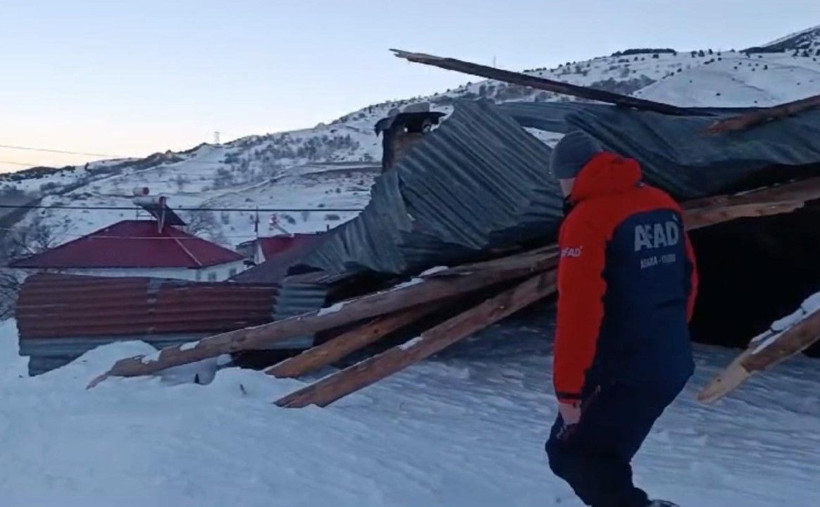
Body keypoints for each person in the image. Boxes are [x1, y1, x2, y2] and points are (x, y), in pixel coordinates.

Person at [544, 131, 698, 507]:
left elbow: (578, 312)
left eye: (561, 178)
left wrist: (568, 390)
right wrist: (670, 338)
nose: (561, 188)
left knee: (571, 453)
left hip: (621, 367)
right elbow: (688, 278)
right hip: (671, 360)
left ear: (572, 173)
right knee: (604, 455)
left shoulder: (588, 219)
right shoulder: (661, 203)